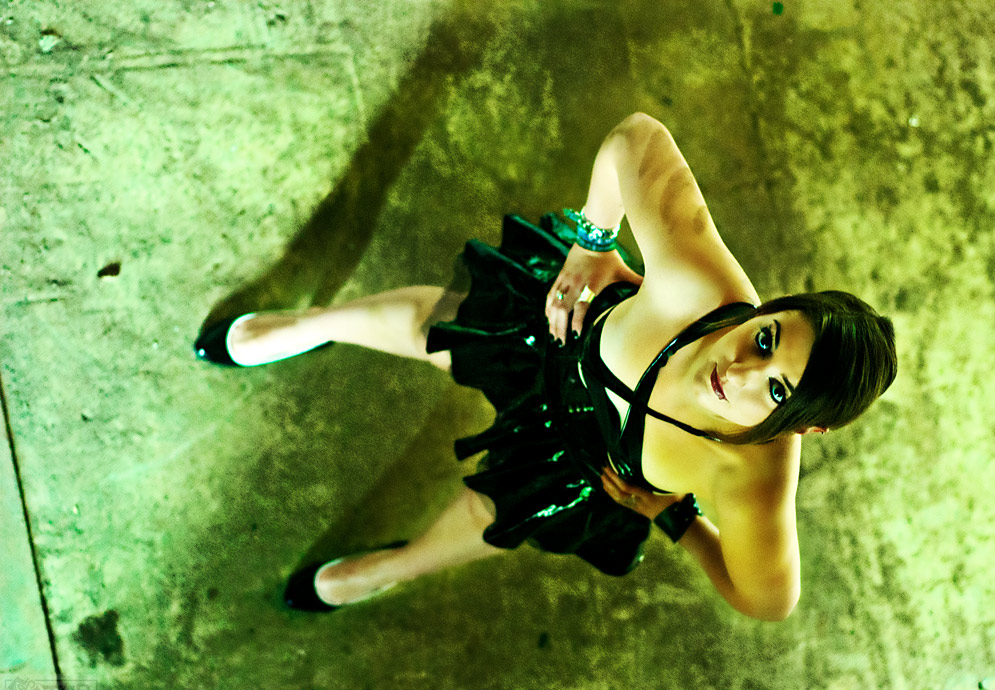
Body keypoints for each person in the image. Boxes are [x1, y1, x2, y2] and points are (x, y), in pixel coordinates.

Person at [194, 112, 896, 622]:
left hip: (583, 462)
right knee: (436, 325)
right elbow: (635, 137)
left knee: (494, 510)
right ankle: (309, 325)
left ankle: (393, 566)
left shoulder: (753, 481)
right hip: (560, 335)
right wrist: (593, 242)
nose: (736, 370)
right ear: (770, 307)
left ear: (803, 428)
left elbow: (767, 599)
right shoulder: (697, 284)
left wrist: (678, 520)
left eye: (775, 390)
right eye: (767, 338)